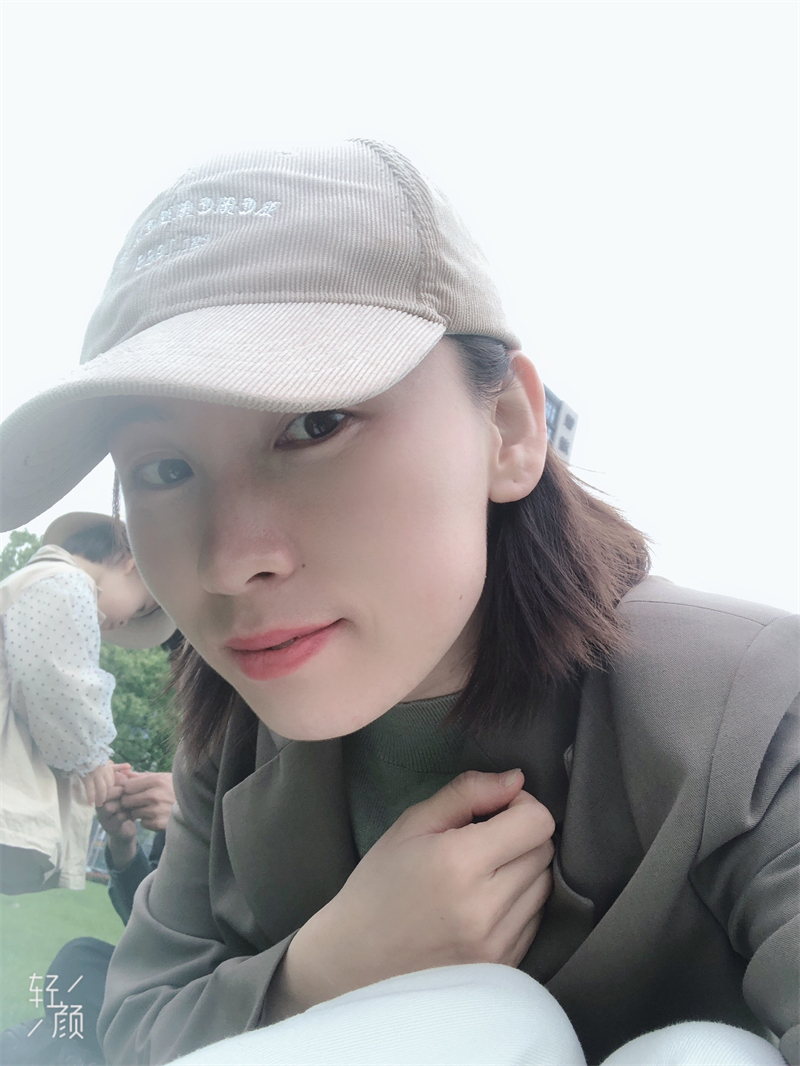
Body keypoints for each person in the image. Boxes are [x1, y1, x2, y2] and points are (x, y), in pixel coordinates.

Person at [0, 141, 796, 1066]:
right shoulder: (231, 745)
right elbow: (135, 1022)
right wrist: (323, 972)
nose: (228, 562)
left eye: (315, 423)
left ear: (508, 429)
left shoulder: (750, 714)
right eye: (164, 469)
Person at [0, 513, 174, 894]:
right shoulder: (66, 584)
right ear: (131, 564)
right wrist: (90, 758)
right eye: (142, 607)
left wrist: (96, 763)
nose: (126, 622)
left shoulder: (37, 584)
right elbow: (56, 679)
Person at [0, 767, 176, 1066]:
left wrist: (197, 816)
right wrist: (123, 843)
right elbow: (155, 929)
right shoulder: (196, 780)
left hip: (223, 997)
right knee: (78, 965)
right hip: (165, 986)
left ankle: (55, 1047)